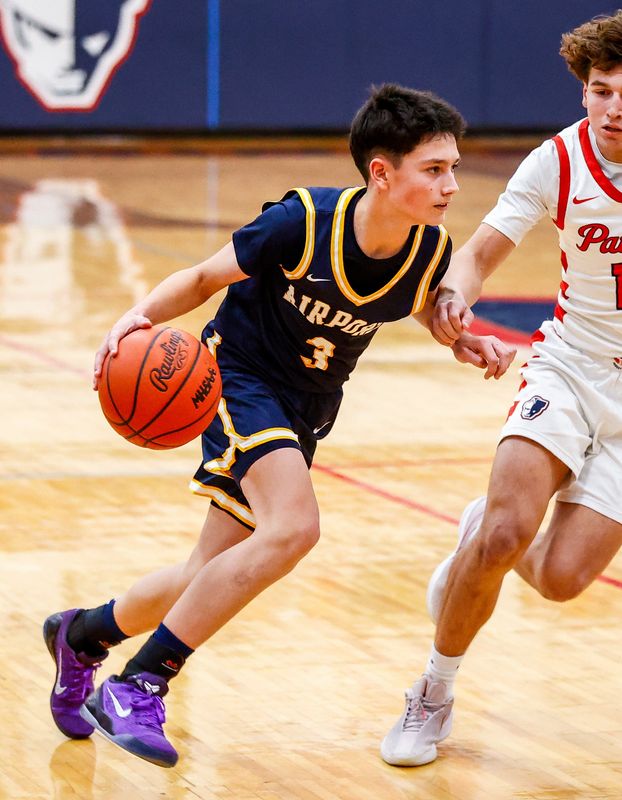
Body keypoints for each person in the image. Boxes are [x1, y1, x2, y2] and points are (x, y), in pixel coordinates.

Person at [42, 83, 516, 769]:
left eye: (453, 167)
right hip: (237, 377)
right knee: (294, 528)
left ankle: (82, 634)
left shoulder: (425, 252)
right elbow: (206, 277)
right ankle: (139, 685)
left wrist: (460, 341)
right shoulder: (302, 222)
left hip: (309, 406)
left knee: (208, 572)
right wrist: (136, 317)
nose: (451, 184)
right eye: (433, 169)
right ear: (381, 173)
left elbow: (405, 298)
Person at [381, 10, 622, 768]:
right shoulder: (559, 161)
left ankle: (479, 522)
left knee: (559, 579)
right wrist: (455, 298)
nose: (614, 108)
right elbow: (481, 251)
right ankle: (433, 691)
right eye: (601, 91)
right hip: (570, 367)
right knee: (506, 536)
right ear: (583, 94)